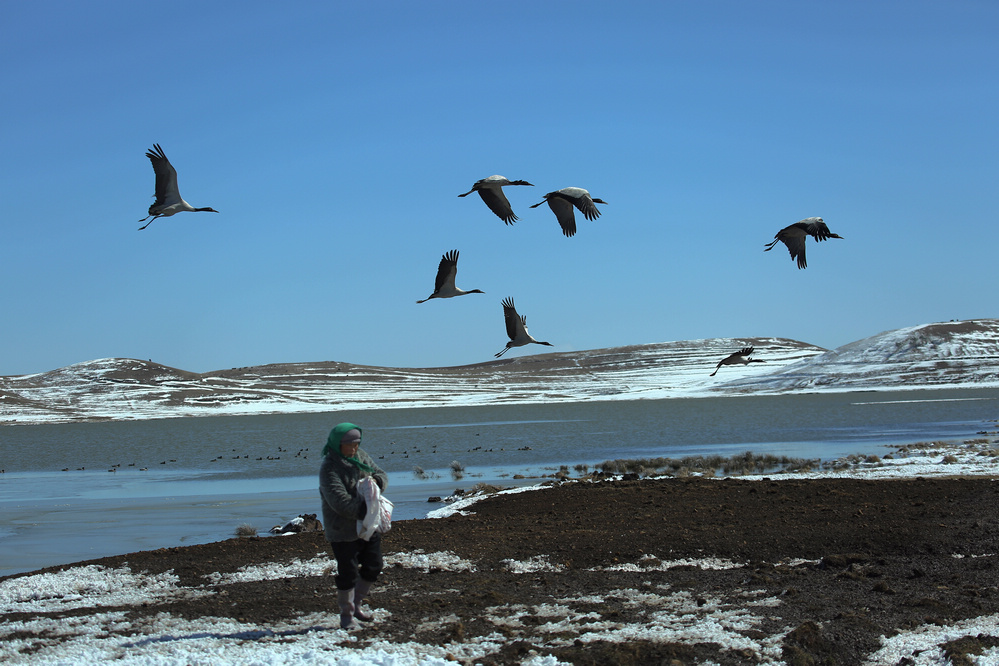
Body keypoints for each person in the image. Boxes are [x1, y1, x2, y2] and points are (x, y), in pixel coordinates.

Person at [319, 422, 389, 630]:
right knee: (348, 572)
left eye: (357, 444)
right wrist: (366, 510)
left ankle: (357, 604)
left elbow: (381, 474)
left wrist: (376, 482)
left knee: (374, 565)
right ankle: (346, 615)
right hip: (343, 529)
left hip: (368, 525)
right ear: (337, 444)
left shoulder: (361, 457)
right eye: (349, 444)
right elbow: (338, 501)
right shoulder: (329, 467)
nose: (354, 448)